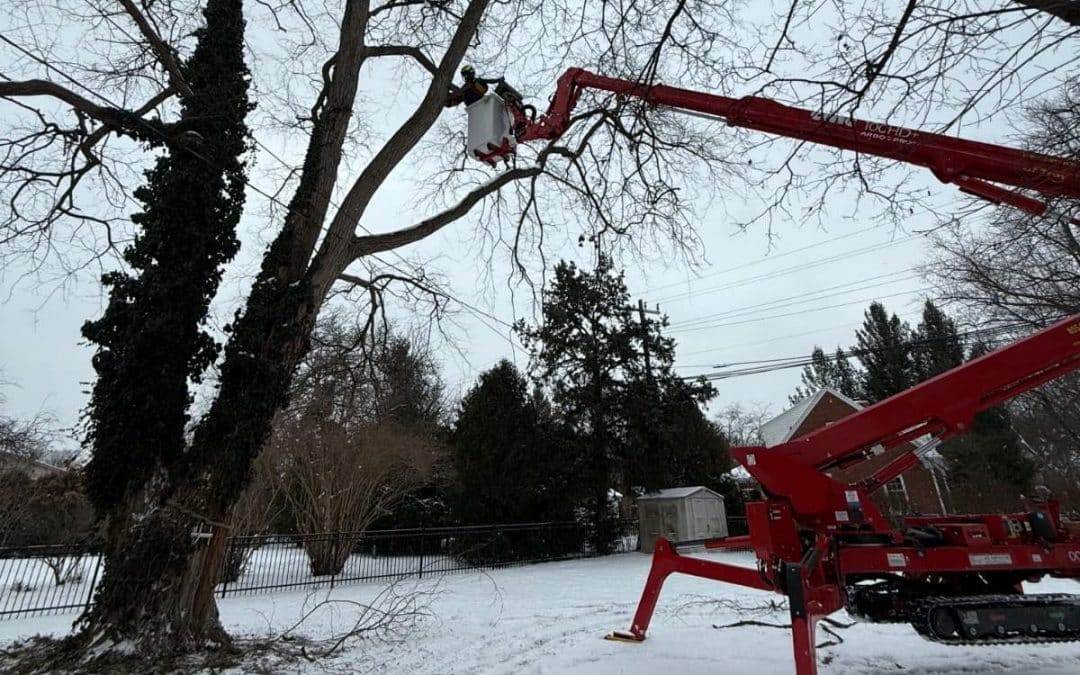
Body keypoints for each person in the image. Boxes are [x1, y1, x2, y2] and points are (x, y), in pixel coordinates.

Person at [445, 65, 537, 134]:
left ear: (470, 73)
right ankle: (447, 101)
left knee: (500, 95)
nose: (465, 77)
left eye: (466, 75)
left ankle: (514, 105)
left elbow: (490, 81)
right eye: (464, 76)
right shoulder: (465, 89)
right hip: (473, 104)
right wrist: (449, 100)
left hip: (480, 102)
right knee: (459, 97)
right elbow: (459, 96)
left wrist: (499, 80)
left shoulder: (478, 81)